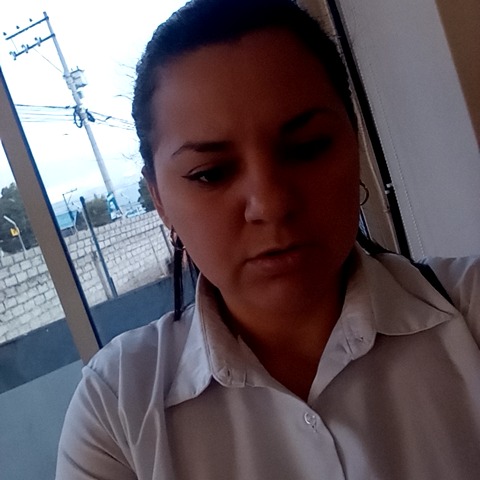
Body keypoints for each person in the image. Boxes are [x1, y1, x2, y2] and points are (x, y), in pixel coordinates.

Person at [55, 0, 480, 478]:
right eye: (210, 173)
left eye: (308, 147)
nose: (271, 203)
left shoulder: (469, 312)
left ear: (354, 142)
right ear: (159, 200)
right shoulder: (117, 409)